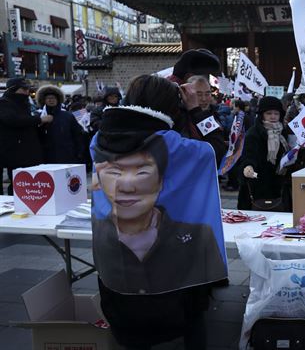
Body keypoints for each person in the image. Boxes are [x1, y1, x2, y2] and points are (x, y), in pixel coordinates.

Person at [92, 75, 227, 350]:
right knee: (192, 323)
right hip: (174, 270)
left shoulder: (98, 139)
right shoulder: (172, 145)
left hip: (113, 260)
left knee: (131, 334)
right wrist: (197, 111)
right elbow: (219, 150)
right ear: (171, 108)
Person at [238, 96, 291, 211]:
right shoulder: (254, 133)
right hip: (258, 183)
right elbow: (249, 154)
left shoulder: (283, 132)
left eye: (276, 113)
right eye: (269, 113)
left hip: (278, 184)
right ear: (262, 114)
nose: (273, 116)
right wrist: (248, 166)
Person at [0, 77, 51, 194]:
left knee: (27, 183)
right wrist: (38, 120)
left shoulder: (25, 104)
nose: (27, 92)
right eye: (24, 89)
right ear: (13, 89)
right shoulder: (4, 103)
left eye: (28, 89)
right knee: (16, 182)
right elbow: (13, 120)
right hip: (13, 151)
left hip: (28, 151)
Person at [36, 85, 85, 164]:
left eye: (53, 98)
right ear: (44, 100)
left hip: (67, 155)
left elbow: (77, 135)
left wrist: (79, 152)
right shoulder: (39, 116)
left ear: (58, 100)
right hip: (46, 156)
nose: (51, 100)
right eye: (48, 98)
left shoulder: (67, 116)